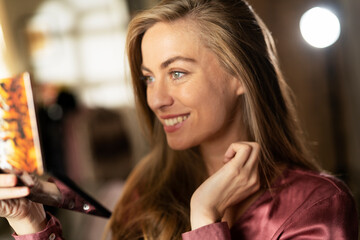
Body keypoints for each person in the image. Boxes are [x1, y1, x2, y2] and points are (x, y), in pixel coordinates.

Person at [0, 0, 358, 239]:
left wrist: (205, 219)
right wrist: (30, 223)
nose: (155, 99)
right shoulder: (147, 187)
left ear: (240, 76)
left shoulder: (317, 205)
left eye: (177, 73)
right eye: (148, 77)